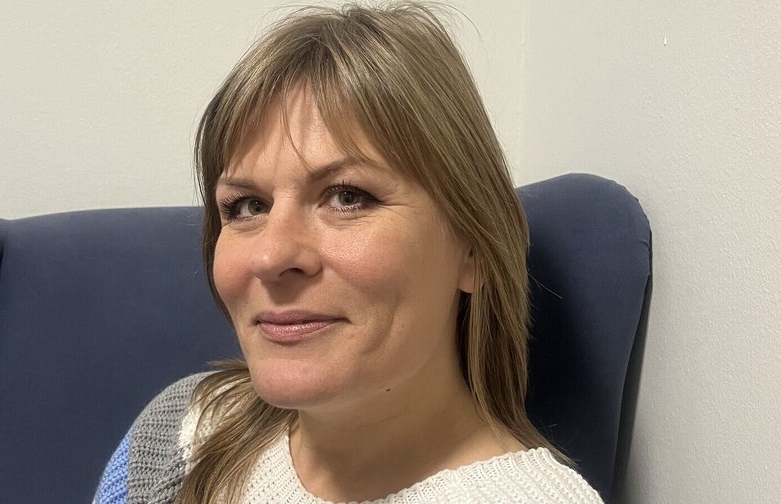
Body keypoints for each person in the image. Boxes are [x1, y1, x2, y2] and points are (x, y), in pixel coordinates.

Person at [94, 2, 603, 503]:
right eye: (248, 206)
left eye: (347, 197)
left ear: (472, 247)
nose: (270, 257)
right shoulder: (184, 430)